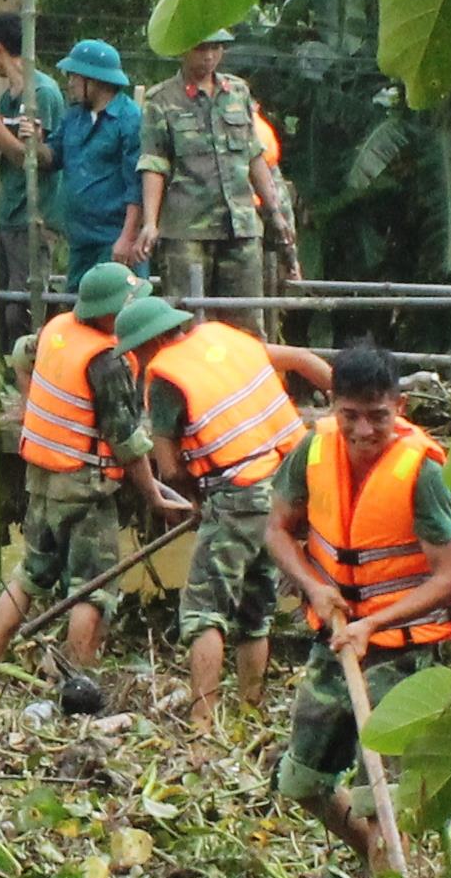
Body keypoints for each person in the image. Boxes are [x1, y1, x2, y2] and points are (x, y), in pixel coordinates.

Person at [264, 346, 451, 872]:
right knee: (301, 782)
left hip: (402, 653)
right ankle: (383, 869)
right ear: (333, 407)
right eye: (350, 415)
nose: (363, 431)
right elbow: (277, 531)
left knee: (382, 798)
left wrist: (372, 624)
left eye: (377, 416)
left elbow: (448, 578)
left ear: (398, 407)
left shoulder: (422, 473)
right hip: (335, 638)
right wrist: (313, 587)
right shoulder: (312, 451)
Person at [121, 289, 331, 728]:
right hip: (287, 486)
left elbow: (168, 466)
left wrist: (196, 501)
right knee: (256, 609)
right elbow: (302, 360)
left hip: (236, 494)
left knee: (203, 612)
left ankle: (203, 721)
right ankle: (250, 707)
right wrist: (346, 407)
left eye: (135, 351)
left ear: (149, 342)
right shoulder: (226, 338)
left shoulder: (166, 379)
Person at [0, 263, 193, 674]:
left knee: (30, 575)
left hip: (42, 477)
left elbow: (20, 352)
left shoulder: (57, 329)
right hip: (84, 485)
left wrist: (29, 403)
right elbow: (126, 440)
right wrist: (154, 495)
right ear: (109, 313)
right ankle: (75, 675)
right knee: (92, 590)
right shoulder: (106, 360)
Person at [137, 31, 296, 327]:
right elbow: (154, 164)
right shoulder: (161, 100)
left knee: (245, 326)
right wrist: (149, 223)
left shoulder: (237, 92)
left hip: (240, 227)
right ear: (184, 50)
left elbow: (254, 155)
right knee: (188, 324)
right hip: (187, 230)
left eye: (216, 48)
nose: (209, 56)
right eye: (200, 48)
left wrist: (274, 211)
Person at [0, 14, 67, 356]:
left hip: (34, 215)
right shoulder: (9, 97)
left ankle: (35, 376)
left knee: (22, 310)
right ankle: (11, 378)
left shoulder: (42, 93)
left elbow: (26, 156)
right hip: (7, 212)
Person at [53, 41, 145, 282]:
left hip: (114, 238)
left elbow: (137, 186)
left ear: (94, 80)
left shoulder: (129, 119)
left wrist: (127, 237)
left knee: (117, 301)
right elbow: (50, 157)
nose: (70, 83)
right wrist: (31, 139)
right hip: (80, 240)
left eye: (74, 76)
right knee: (79, 303)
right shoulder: (74, 116)